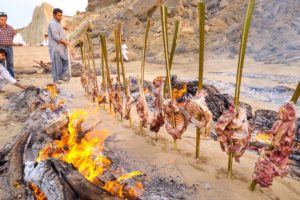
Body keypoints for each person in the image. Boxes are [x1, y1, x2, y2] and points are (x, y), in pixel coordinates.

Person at [48, 8, 70, 84]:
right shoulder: (52, 23)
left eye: (61, 15)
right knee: (56, 63)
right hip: (55, 47)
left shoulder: (57, 23)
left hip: (61, 47)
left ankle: (60, 75)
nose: (60, 17)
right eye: (59, 15)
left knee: (65, 60)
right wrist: (65, 43)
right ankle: (55, 79)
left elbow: (58, 29)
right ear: (54, 15)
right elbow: (55, 36)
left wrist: (63, 28)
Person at [0, 12, 15, 78]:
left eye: (4, 19)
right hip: (1, 48)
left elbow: (12, 35)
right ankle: (2, 77)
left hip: (9, 48)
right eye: (1, 19)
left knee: (10, 63)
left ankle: (11, 77)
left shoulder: (10, 28)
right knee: (2, 63)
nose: (3, 21)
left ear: (6, 19)